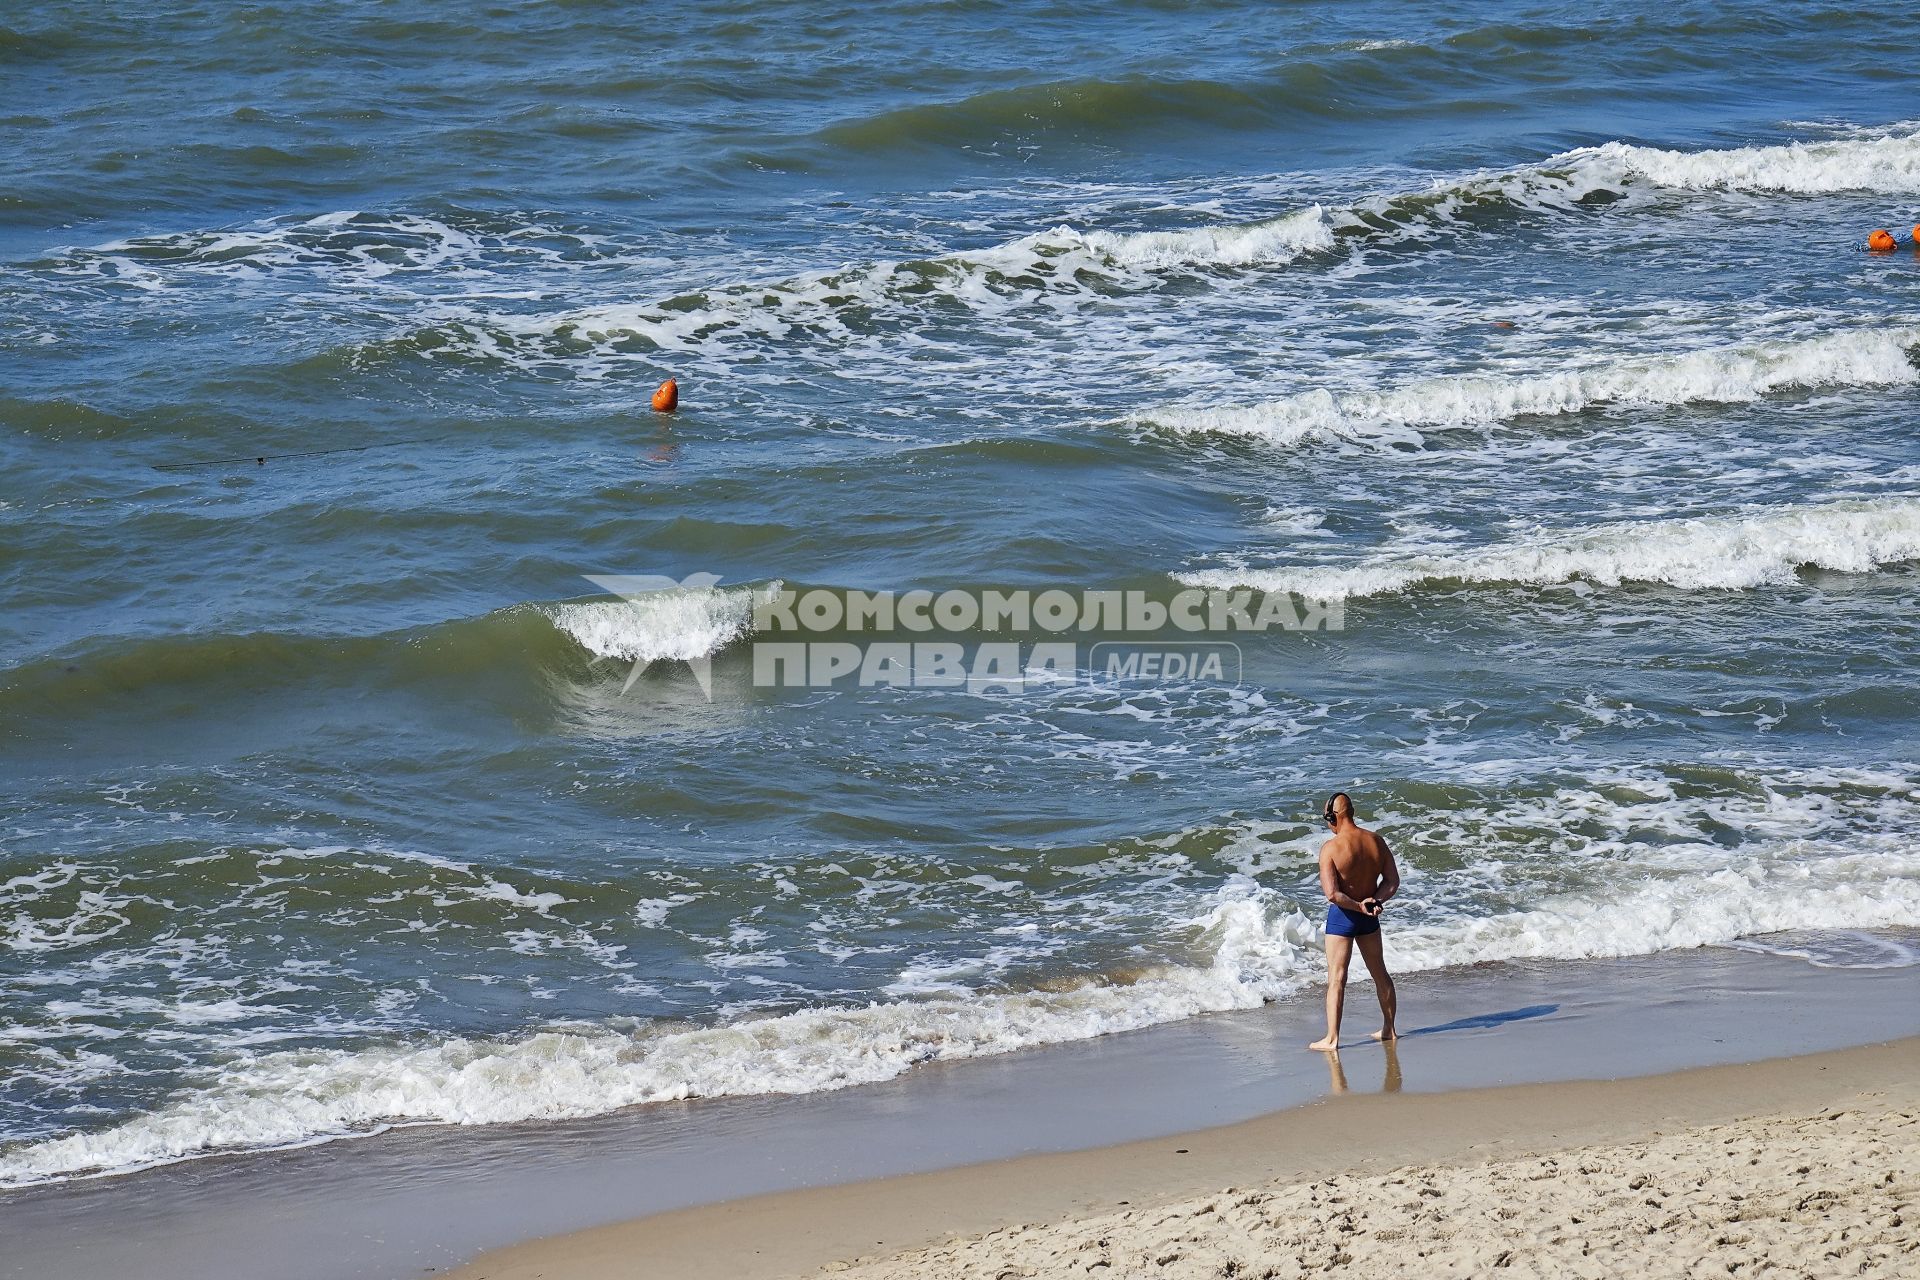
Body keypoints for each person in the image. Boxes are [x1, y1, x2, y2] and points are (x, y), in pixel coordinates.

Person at [1308, 792, 1399, 1051]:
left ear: (1332, 817)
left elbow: (1332, 894)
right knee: (1380, 973)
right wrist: (1374, 901)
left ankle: (1332, 1039)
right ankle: (1389, 1030)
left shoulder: (1331, 848)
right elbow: (1392, 882)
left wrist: (1356, 905)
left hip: (1344, 917)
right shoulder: (1376, 841)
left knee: (1337, 977)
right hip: (1370, 916)